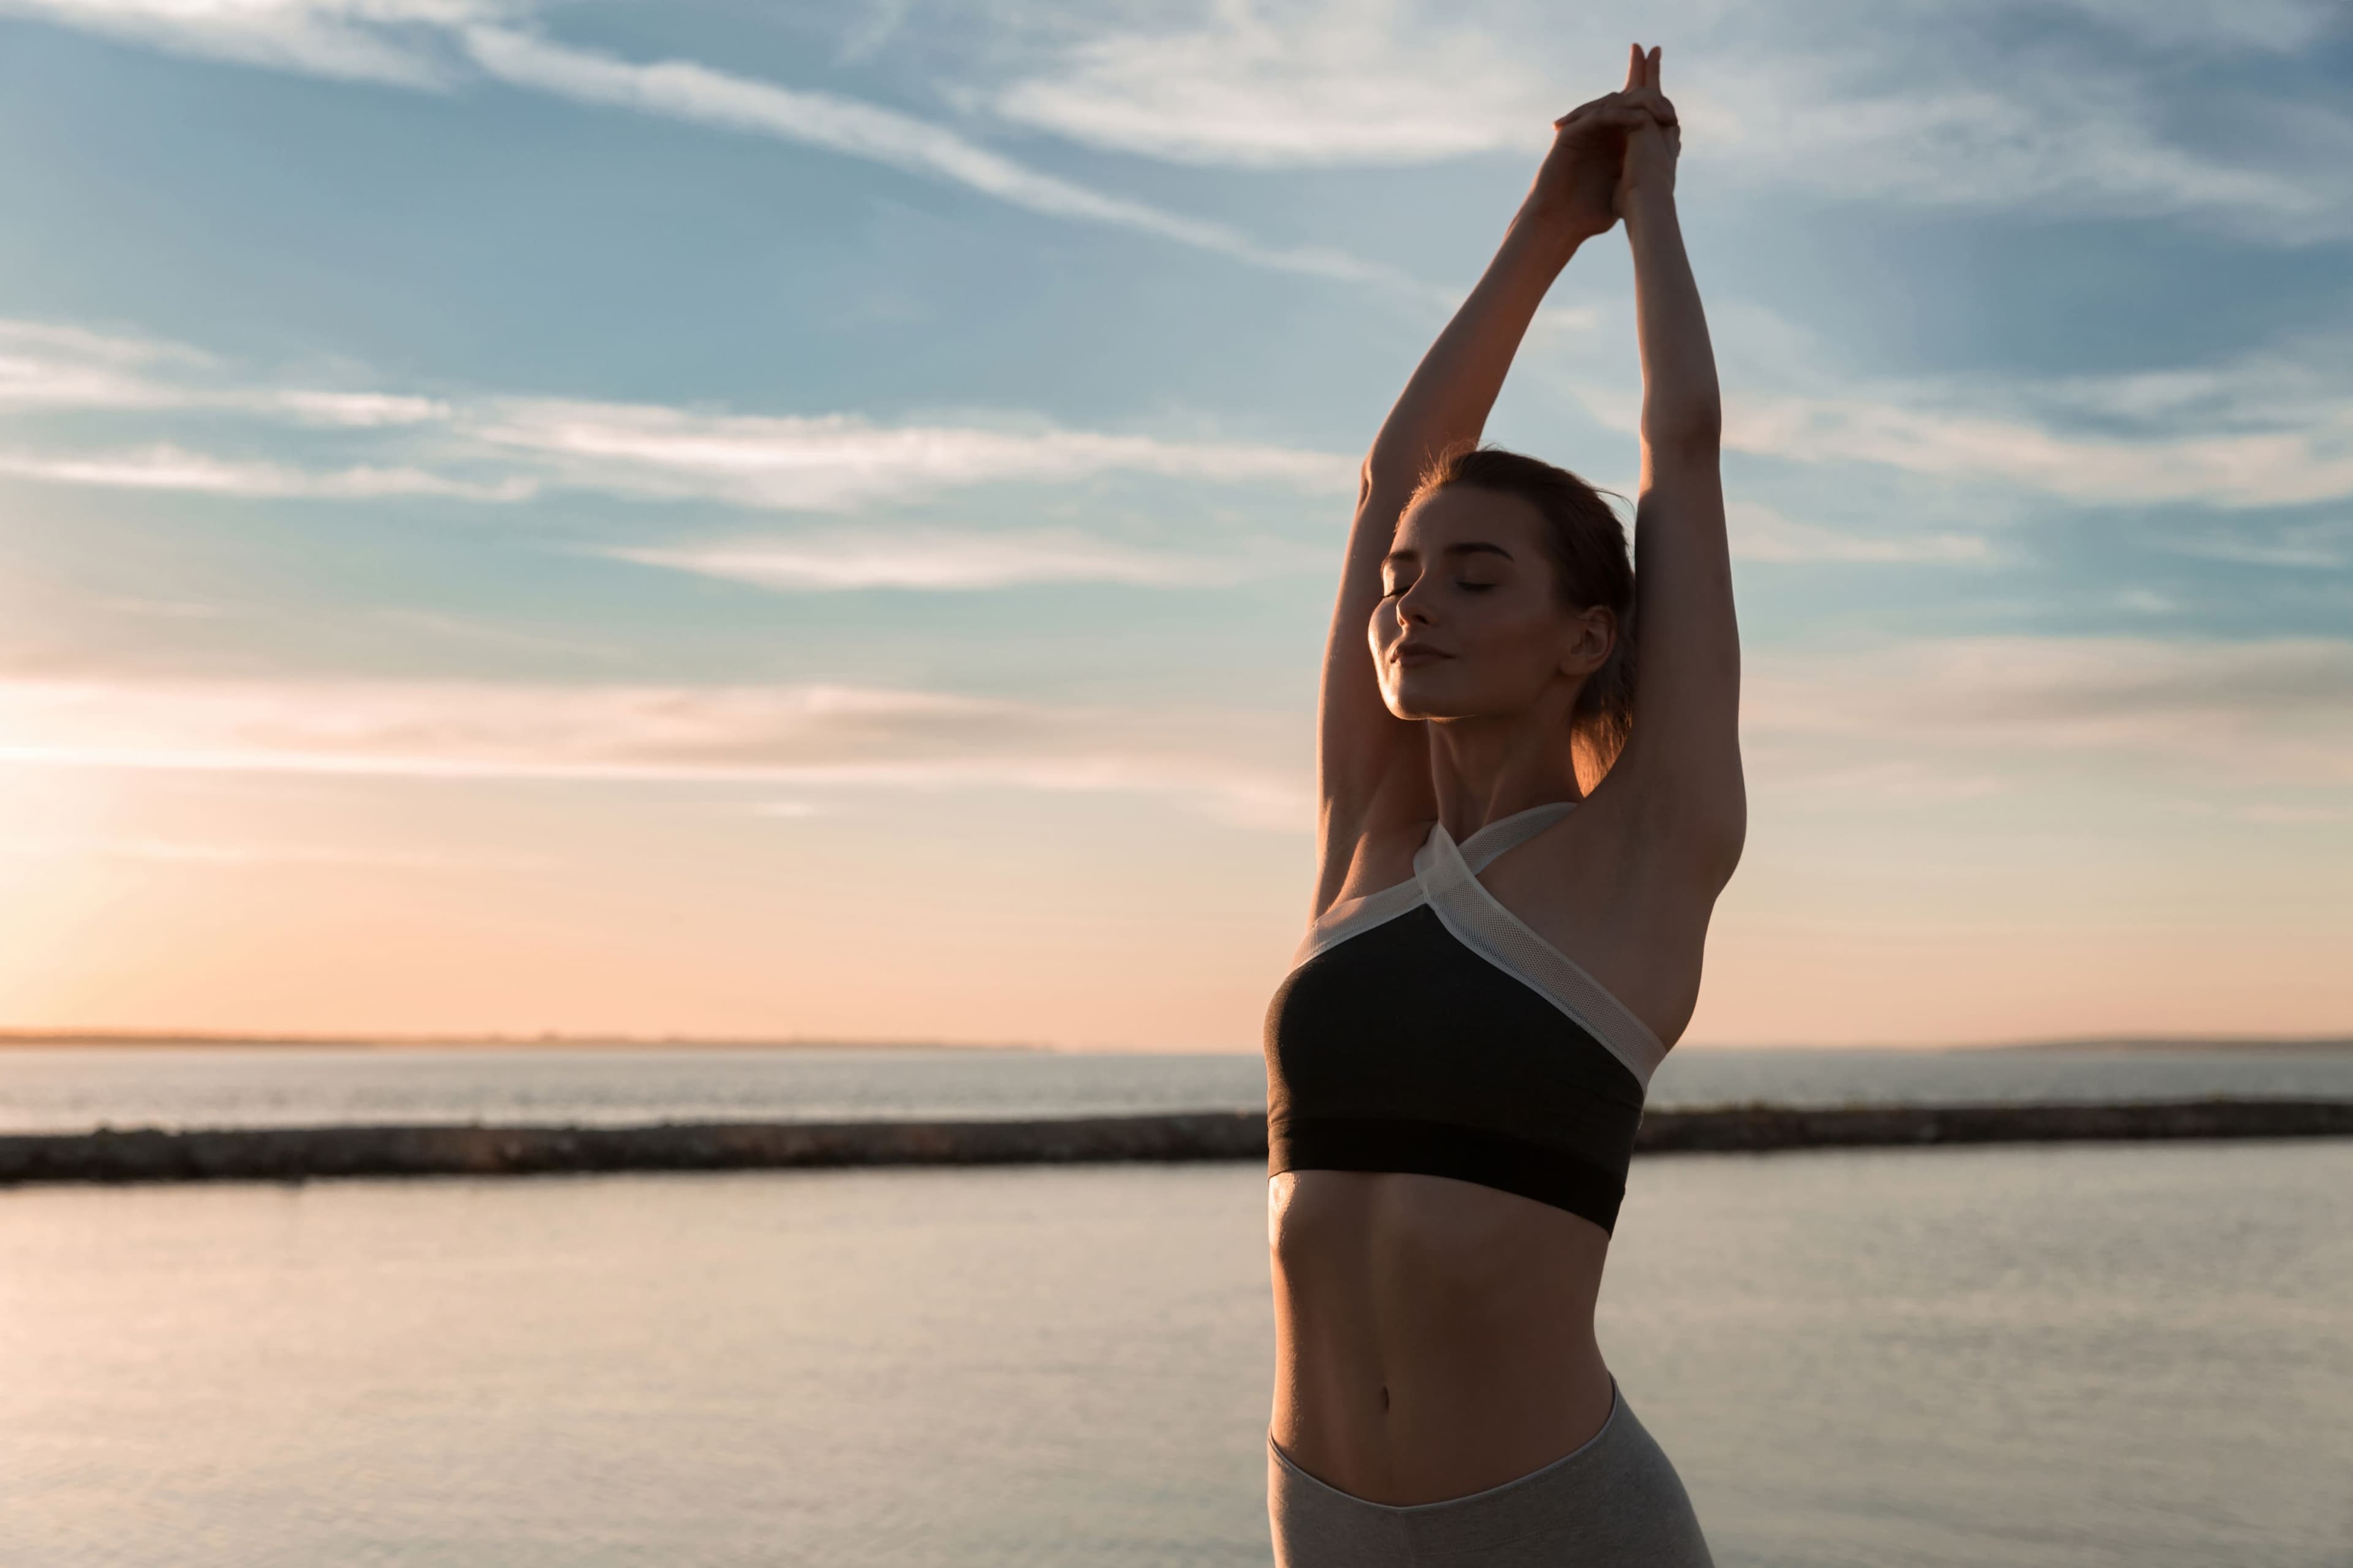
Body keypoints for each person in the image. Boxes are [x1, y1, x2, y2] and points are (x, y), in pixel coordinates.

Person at [1260, 42, 1737, 1567]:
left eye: (1478, 577)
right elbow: (1392, 475)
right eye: (1406, 581)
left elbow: (1683, 453)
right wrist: (1543, 226)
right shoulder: (1363, 842)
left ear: (1592, 634)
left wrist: (1648, 206)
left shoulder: (1646, 853)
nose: (1413, 605)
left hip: (1562, 1525)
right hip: (1320, 1514)